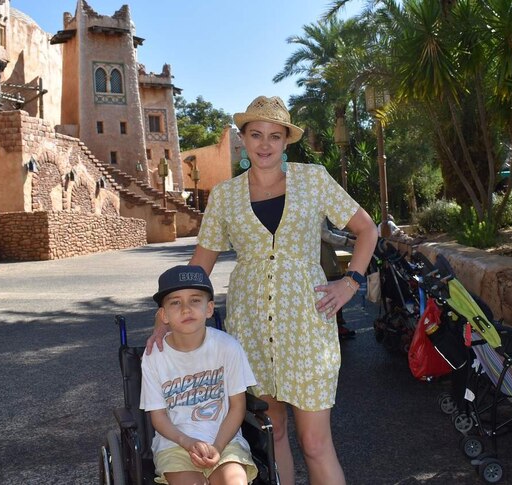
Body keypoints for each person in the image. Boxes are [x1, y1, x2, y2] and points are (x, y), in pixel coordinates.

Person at [148, 95, 378, 485]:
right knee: (274, 436)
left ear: (286, 141)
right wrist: (162, 319)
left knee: (316, 442)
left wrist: (350, 282)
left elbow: (367, 228)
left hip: (308, 326)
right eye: (256, 134)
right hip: (251, 327)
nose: (265, 144)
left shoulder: (313, 179)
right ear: (243, 139)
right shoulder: (225, 195)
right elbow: (198, 269)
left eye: (275, 135)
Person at [141, 265, 258, 485]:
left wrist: (218, 447)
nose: (186, 309)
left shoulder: (228, 347)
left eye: (195, 300)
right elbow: (158, 417)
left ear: (209, 308)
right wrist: (186, 442)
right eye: (175, 302)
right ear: (163, 315)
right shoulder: (154, 357)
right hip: (175, 444)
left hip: (225, 441)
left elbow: (237, 407)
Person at [320, 218, 356, 339]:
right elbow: (325, 234)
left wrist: (348, 236)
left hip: (325, 254)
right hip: (323, 256)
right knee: (331, 288)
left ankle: (337, 324)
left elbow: (330, 230)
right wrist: (348, 241)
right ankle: (336, 326)